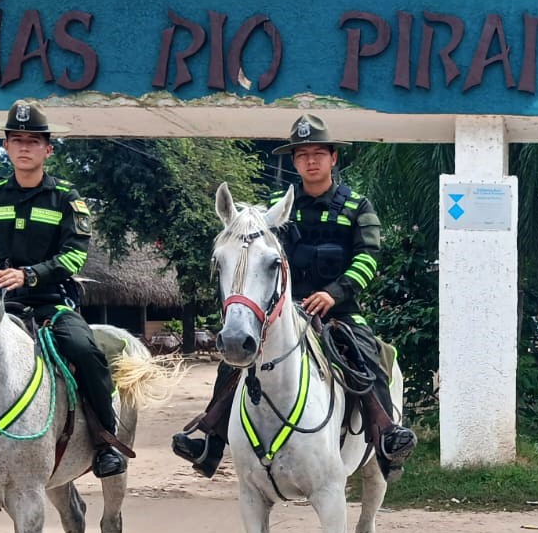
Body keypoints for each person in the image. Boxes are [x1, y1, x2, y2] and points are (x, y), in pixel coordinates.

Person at [170, 114, 416, 478]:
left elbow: (369, 257)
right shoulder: (276, 206)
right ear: (295, 161)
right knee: (234, 361)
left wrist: (334, 294)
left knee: (367, 357)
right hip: (283, 310)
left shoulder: (357, 206)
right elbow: (255, 256)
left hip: (340, 310)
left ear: (334, 157)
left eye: (319, 152)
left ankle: (386, 438)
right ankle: (209, 438)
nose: (311, 160)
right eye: (302, 154)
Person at [0, 100, 124, 493]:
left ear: (48, 148)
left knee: (85, 351)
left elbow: (76, 253)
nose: (24, 147)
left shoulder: (66, 197)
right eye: (16, 140)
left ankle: (103, 441)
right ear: (7, 147)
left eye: (33, 140)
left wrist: (30, 275)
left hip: (50, 302)